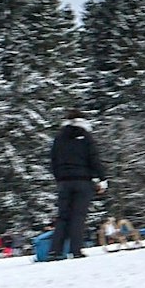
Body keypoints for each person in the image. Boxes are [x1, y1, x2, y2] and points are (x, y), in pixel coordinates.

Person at [47, 108, 106, 260]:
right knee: (78, 216)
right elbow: (94, 159)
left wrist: (58, 177)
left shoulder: (59, 137)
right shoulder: (86, 137)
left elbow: (53, 160)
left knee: (62, 216)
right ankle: (76, 249)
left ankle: (55, 250)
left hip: (64, 182)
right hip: (83, 181)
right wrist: (102, 179)